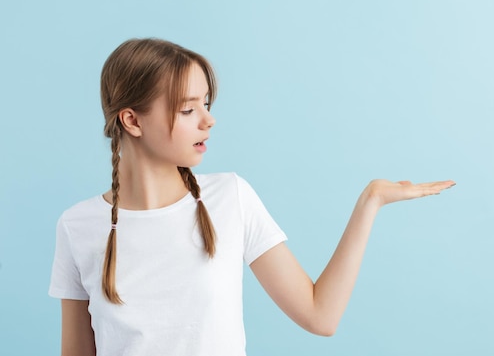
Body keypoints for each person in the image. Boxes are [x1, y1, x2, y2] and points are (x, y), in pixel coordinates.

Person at [49, 38, 455, 356]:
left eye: (205, 104)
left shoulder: (231, 198)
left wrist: (371, 201)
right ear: (132, 120)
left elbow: (320, 315)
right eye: (188, 109)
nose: (209, 119)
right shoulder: (78, 226)